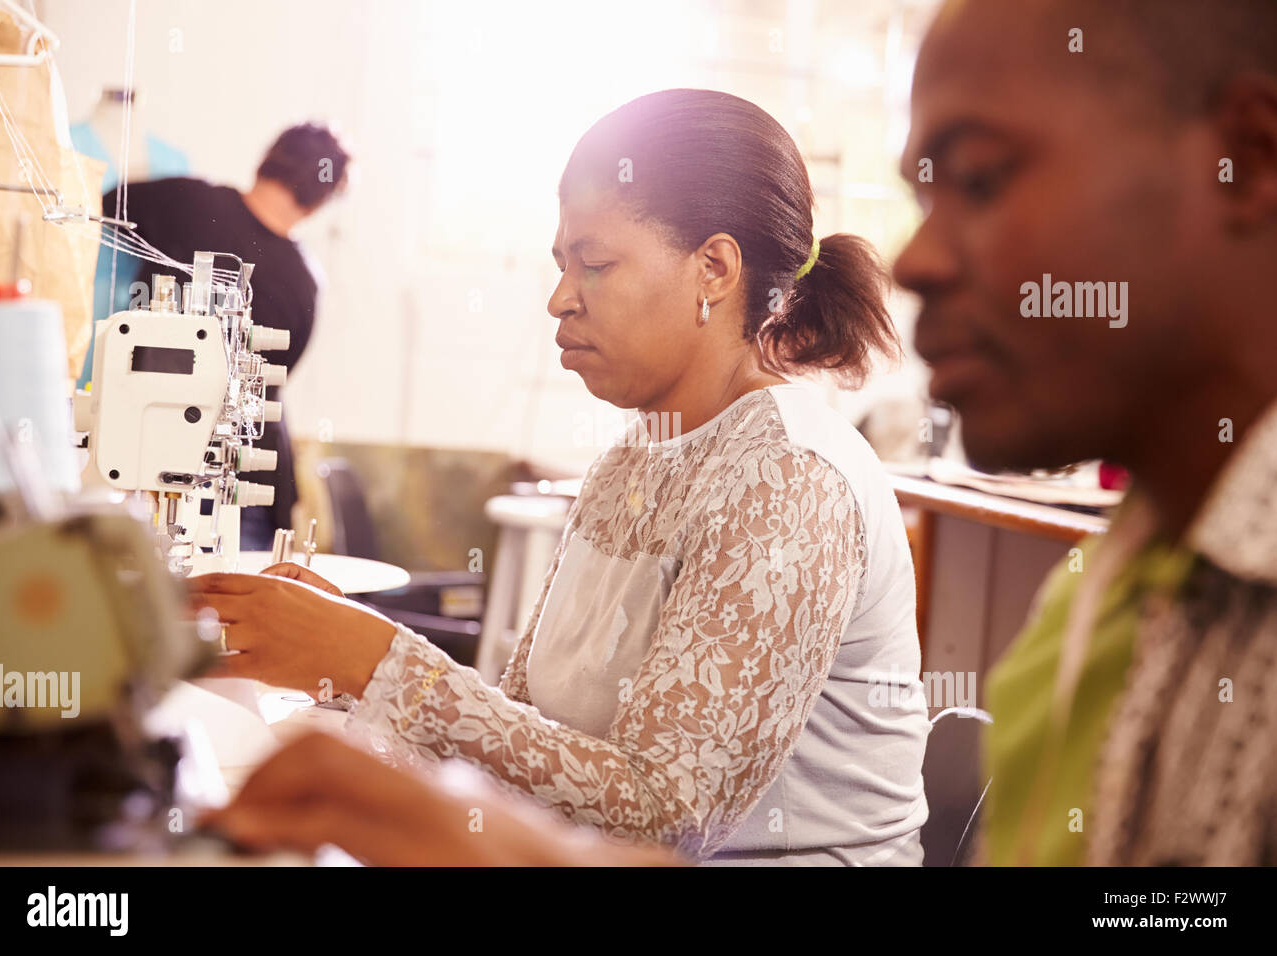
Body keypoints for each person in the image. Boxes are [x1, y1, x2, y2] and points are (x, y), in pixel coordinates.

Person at [192, 89, 930, 866]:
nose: (559, 298)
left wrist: (375, 661)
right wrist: (337, 661)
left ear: (714, 268)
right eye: (560, 264)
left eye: (596, 264)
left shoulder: (791, 476)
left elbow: (661, 820)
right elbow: (523, 733)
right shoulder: (634, 456)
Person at [894, 0, 1277, 865]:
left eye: (981, 178)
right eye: (923, 193)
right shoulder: (1094, 606)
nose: (912, 259)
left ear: (1245, 162)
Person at [91, 123, 350, 548]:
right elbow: (275, 380)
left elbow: (98, 205)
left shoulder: (187, 200)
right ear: (320, 200)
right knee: (231, 601)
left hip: (147, 451)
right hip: (245, 474)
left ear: (269, 160)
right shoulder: (305, 282)